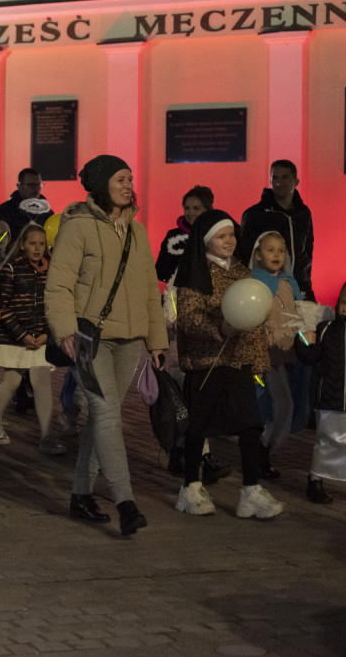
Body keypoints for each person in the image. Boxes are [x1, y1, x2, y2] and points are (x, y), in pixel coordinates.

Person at [45, 154, 167, 536]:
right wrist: (65, 330)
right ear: (102, 186)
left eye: (130, 178)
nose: (129, 185)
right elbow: (58, 285)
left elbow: (150, 290)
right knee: (107, 413)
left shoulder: (138, 232)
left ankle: (81, 495)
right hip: (88, 340)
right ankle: (125, 502)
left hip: (129, 339)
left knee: (102, 418)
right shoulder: (78, 227)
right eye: (120, 179)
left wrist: (157, 340)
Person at [172, 210, 285, 519]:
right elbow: (188, 318)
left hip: (238, 362)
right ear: (206, 240)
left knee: (250, 425)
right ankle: (190, 487)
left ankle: (251, 490)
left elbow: (253, 315)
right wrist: (219, 328)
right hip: (206, 362)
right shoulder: (194, 272)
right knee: (198, 428)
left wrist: (258, 359)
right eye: (221, 236)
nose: (228, 241)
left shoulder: (241, 271)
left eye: (231, 235)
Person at [154, 185, 230, 483]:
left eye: (196, 208)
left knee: (200, 393)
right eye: (187, 208)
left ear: (209, 209)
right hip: (176, 321)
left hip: (207, 323)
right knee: (181, 391)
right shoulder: (175, 238)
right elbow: (161, 273)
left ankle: (186, 453)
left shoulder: (219, 239)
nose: (190, 213)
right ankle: (193, 455)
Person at [0, 223, 64, 454]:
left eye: (41, 244)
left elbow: (54, 305)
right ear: (22, 245)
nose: (37, 248)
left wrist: (46, 333)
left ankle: (47, 435)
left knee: (42, 383)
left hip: (40, 338)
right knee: (12, 381)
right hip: (14, 338)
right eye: (32, 243)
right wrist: (22, 335)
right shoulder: (11, 270)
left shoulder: (51, 271)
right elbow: (3, 306)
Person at [249, 231, 314, 480]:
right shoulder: (255, 284)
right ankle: (260, 453)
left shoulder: (289, 283)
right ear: (258, 254)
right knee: (276, 405)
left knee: (283, 405)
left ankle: (262, 452)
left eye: (281, 250)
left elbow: (298, 315)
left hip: (286, 355)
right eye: (270, 250)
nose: (276, 255)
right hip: (264, 355)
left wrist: (306, 335)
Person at [240, 160, 314, 300]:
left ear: (296, 181)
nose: (279, 182)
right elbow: (246, 253)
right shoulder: (255, 214)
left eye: (285, 177)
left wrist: (306, 281)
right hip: (266, 288)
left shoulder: (303, 213)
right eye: (275, 177)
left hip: (300, 286)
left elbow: (308, 250)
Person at [303, 280, 346, 504]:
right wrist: (302, 337)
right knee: (326, 441)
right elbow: (310, 355)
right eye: (344, 302)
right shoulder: (326, 329)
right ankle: (315, 480)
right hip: (330, 397)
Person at [0, 168, 53, 246]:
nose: (36, 188)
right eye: (31, 185)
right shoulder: (3, 211)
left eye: (38, 184)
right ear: (19, 186)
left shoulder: (48, 213)